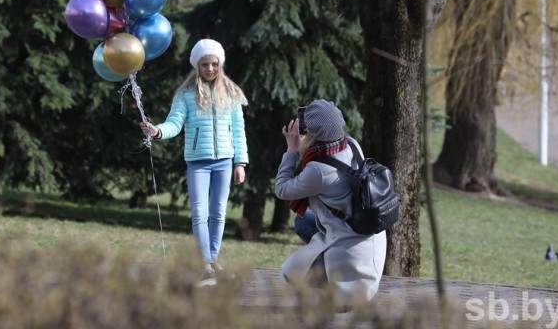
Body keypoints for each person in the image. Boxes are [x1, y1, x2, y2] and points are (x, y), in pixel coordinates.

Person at [140, 39, 248, 286]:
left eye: (214, 64)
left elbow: (239, 132)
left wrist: (240, 163)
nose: (210, 69)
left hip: (225, 161)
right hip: (198, 162)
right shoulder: (186, 95)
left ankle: (213, 260)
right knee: (200, 212)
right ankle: (204, 263)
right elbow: (174, 123)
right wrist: (157, 131)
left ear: (220, 64)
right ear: (196, 66)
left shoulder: (231, 94)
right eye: (204, 64)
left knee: (218, 213)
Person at [274, 99, 386, 305]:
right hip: (368, 238)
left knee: (288, 276)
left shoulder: (318, 170)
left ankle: (325, 277)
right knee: (303, 222)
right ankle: (322, 266)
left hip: (352, 261)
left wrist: (291, 150)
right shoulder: (352, 144)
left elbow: (282, 189)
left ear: (313, 134)